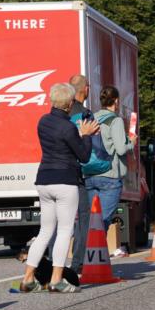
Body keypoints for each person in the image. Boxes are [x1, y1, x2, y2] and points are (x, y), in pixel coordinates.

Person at [15, 83, 98, 293]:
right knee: (64, 231)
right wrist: (86, 135)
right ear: (70, 104)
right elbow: (84, 156)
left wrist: (77, 134)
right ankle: (56, 280)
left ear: (52, 100)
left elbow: (60, 144)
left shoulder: (43, 121)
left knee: (45, 231)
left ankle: (27, 279)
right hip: (65, 181)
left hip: (44, 180)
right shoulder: (69, 127)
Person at [84, 85, 135, 258]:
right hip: (110, 176)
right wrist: (132, 142)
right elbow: (121, 150)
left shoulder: (92, 118)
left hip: (90, 174)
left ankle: (84, 255)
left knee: (92, 220)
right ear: (117, 101)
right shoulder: (116, 120)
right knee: (103, 221)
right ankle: (95, 259)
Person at [67, 74, 93, 274]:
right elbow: (89, 151)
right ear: (86, 89)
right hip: (77, 174)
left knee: (58, 222)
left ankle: (50, 265)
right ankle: (77, 264)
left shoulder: (60, 115)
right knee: (84, 218)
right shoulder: (85, 114)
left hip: (56, 175)